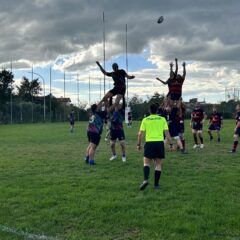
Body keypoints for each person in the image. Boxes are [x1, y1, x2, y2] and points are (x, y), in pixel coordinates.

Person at [137, 103, 171, 191]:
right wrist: (171, 144)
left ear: (149, 110)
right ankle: (156, 185)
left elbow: (140, 134)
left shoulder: (145, 119)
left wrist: (138, 144)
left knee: (146, 163)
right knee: (158, 164)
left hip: (149, 143)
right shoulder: (162, 119)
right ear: (157, 111)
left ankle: (145, 180)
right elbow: (167, 133)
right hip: (159, 143)